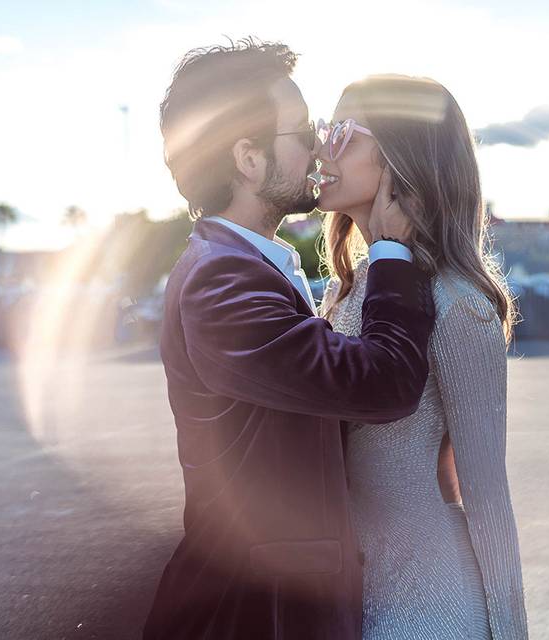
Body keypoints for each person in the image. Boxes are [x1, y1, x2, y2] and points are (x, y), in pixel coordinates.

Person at [142, 41, 435, 640]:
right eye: (301, 131)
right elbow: (383, 382)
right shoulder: (220, 283)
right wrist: (391, 249)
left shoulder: (242, 264)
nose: (321, 143)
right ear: (248, 159)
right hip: (253, 614)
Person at [317, 75, 529, 640]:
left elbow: (487, 497)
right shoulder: (347, 290)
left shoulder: (457, 303)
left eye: (342, 133)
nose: (322, 148)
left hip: (433, 607)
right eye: (322, 129)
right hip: (356, 598)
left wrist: (511, 632)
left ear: (399, 154)